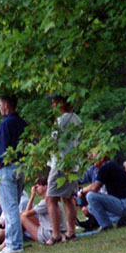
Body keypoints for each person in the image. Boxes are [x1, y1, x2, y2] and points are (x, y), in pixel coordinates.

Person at [44, 95, 82, 243]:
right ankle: (71, 231)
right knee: (67, 198)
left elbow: (53, 142)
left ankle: (55, 234)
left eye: (54, 103)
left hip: (60, 164)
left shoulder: (61, 120)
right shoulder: (77, 119)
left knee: (51, 198)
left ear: (62, 103)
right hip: (73, 164)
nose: (52, 106)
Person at [0, 94, 27, 253]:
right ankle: (14, 241)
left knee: (9, 207)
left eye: (0, 105)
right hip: (21, 166)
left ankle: (14, 243)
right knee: (16, 204)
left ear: (6, 105)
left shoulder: (5, 125)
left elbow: (1, 152)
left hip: (7, 169)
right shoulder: (22, 123)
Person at [81, 155, 126, 230]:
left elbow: (95, 187)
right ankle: (119, 219)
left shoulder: (106, 167)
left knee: (91, 196)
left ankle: (106, 225)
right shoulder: (108, 167)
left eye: (93, 156)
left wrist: (82, 191)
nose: (90, 158)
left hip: (125, 203)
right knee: (91, 207)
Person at [20, 177, 65, 245]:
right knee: (22, 213)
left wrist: (32, 196)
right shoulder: (52, 200)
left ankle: (11, 241)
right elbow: (27, 212)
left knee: (22, 217)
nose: (36, 189)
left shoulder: (46, 202)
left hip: (49, 234)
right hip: (58, 231)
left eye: (37, 186)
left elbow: (27, 214)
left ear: (45, 187)